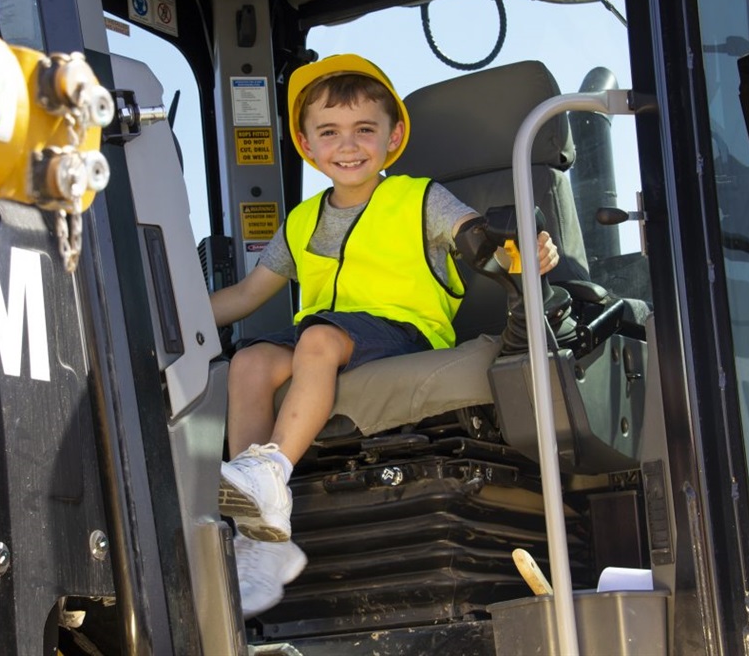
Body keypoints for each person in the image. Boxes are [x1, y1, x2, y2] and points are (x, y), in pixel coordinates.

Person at [209, 54, 560, 618]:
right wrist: (169, 321)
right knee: (248, 365)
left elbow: (482, 239)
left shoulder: (420, 198)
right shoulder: (299, 221)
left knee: (316, 343)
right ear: (306, 142)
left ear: (392, 138)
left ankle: (270, 472)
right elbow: (248, 296)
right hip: (330, 338)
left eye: (364, 130)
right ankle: (260, 535)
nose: (348, 145)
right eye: (329, 132)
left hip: (405, 332)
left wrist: (523, 251)